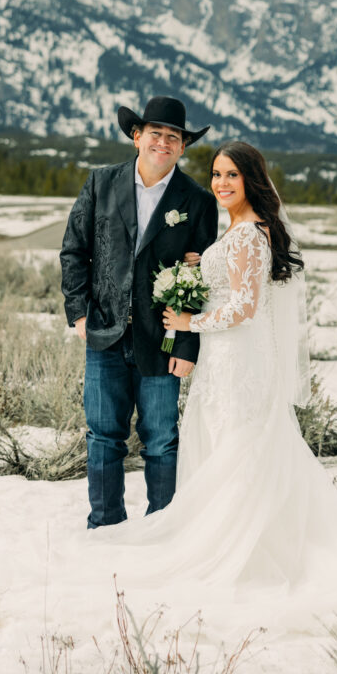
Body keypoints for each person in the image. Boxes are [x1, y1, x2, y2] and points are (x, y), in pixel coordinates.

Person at [81, 141, 337, 625]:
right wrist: (192, 275)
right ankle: (226, 538)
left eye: (232, 175)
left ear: (251, 179)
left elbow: (244, 309)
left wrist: (188, 324)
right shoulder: (238, 229)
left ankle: (241, 551)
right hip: (226, 359)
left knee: (239, 448)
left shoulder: (249, 235)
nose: (222, 183)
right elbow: (229, 292)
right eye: (217, 174)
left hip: (239, 360)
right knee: (228, 446)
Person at [60, 96, 218, 529]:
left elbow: (199, 278)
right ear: (136, 137)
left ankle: (160, 530)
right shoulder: (100, 183)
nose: (163, 143)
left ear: (183, 147)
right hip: (104, 334)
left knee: (162, 441)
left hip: (162, 339)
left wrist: (187, 344)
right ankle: (105, 525)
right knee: (103, 438)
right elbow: (74, 251)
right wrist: (79, 314)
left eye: (173, 137)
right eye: (155, 134)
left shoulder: (198, 202)